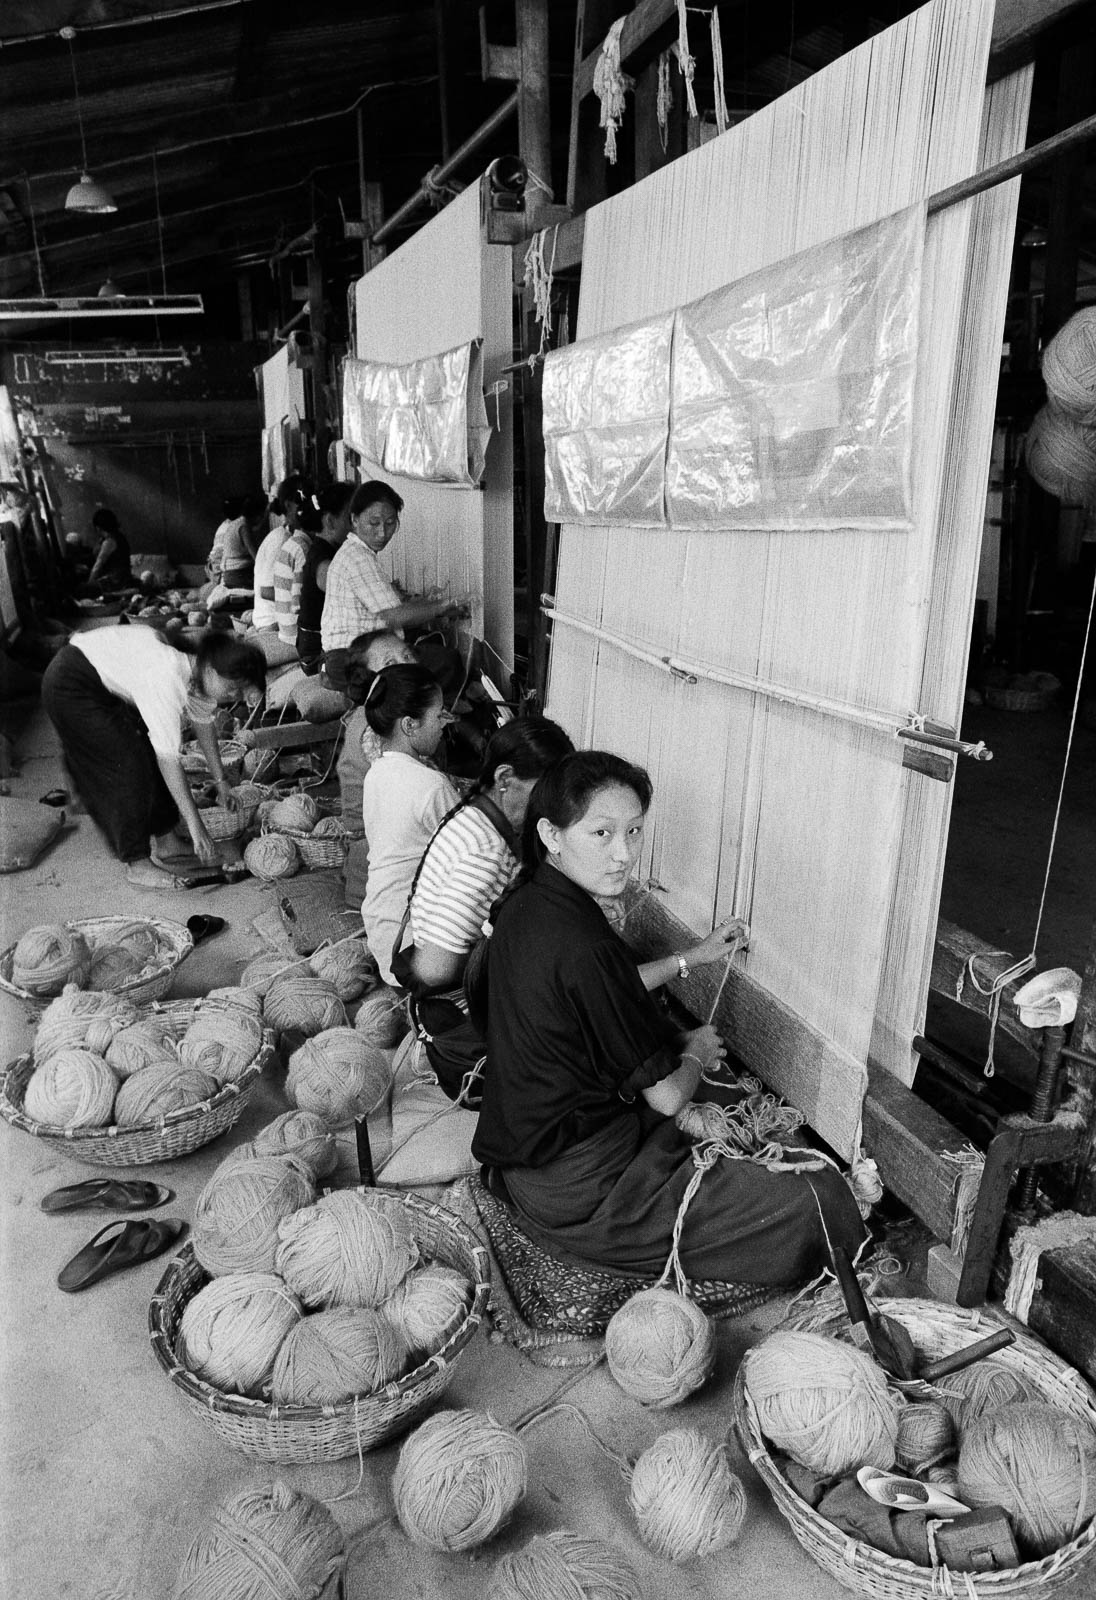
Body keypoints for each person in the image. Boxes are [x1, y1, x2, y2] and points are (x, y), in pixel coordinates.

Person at [471, 750, 866, 1287]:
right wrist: (696, 1056)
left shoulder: (530, 903)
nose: (623, 855)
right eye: (602, 834)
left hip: (533, 1160)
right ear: (551, 833)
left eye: (634, 832)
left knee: (695, 1074)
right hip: (584, 1190)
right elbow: (667, 1098)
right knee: (815, 1196)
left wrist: (694, 957)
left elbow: (601, 990)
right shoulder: (585, 942)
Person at [392, 715, 574, 1102]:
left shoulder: (472, 812)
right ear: (505, 778)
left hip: (442, 1010)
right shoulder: (486, 853)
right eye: (545, 792)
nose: (554, 809)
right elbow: (435, 966)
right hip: (459, 1024)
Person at [42, 625, 266, 890]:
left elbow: (204, 725)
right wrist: (196, 827)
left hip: (99, 682)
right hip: (71, 684)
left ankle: (168, 843)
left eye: (240, 693)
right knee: (127, 766)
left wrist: (222, 781)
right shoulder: (167, 675)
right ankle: (136, 863)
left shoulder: (197, 676)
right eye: (233, 689)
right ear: (210, 669)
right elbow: (169, 760)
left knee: (145, 751)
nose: (233, 697)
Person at [359, 663, 460, 985]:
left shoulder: (377, 772)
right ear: (410, 725)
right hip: (412, 949)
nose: (445, 723)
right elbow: (473, 851)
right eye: (438, 714)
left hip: (381, 926)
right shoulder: (431, 786)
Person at [320, 481, 467, 689]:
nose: (382, 532)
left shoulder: (356, 553)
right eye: (374, 523)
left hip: (346, 656)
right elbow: (393, 616)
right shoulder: (357, 557)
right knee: (447, 662)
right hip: (350, 660)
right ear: (354, 520)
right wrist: (442, 606)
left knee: (427, 648)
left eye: (390, 523)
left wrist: (434, 608)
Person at [294, 481, 355, 670]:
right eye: (351, 518)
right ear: (330, 521)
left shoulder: (330, 549)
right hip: (317, 656)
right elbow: (329, 580)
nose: (357, 525)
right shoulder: (321, 555)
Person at [219, 493, 268, 589]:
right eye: (261, 516)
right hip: (238, 575)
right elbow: (256, 556)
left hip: (229, 574)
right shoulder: (243, 527)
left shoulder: (235, 523)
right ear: (257, 515)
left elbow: (257, 528)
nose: (262, 519)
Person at [85, 508, 132, 592]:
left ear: (98, 528)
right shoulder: (119, 537)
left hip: (115, 582)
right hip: (123, 578)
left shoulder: (109, 542)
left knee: (81, 589)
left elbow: (98, 565)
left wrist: (89, 583)